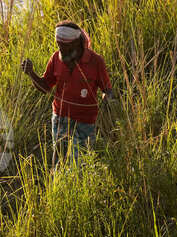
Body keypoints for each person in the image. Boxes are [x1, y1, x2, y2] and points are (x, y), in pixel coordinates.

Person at [20, 21, 114, 166]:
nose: (62, 52)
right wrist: (31, 73)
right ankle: (56, 186)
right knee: (59, 162)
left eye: (66, 47)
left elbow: (107, 89)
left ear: (77, 43)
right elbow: (45, 87)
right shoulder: (56, 58)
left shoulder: (95, 62)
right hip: (60, 119)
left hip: (85, 122)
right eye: (59, 46)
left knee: (82, 164)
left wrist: (108, 98)